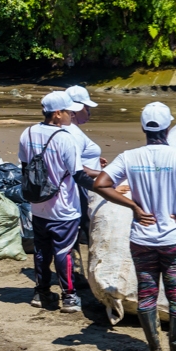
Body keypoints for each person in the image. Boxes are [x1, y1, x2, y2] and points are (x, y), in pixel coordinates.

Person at [92, 103, 176, 351]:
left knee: (147, 294)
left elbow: (100, 183)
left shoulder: (129, 156)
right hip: (174, 240)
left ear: (143, 127)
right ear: (169, 127)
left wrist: (133, 206)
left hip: (142, 239)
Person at [19, 91, 101, 314]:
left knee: (41, 251)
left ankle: (41, 293)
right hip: (64, 207)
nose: (71, 116)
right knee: (63, 252)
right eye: (68, 112)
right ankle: (69, 297)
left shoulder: (27, 133)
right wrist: (105, 188)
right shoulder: (65, 138)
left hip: (38, 206)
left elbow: (26, 169)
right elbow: (79, 176)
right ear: (57, 114)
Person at [63, 85, 105, 254]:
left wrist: (95, 160)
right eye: (86, 108)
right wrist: (102, 174)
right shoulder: (72, 133)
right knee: (88, 234)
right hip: (82, 189)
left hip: (80, 188)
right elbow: (76, 167)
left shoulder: (70, 130)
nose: (89, 112)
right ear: (74, 110)